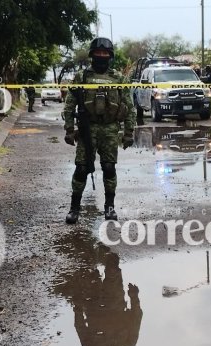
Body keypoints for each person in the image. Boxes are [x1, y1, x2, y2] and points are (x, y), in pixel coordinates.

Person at [63, 37, 135, 224]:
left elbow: (129, 107)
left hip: (110, 128)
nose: (101, 56)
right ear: (92, 55)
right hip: (88, 127)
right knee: (81, 168)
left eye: (105, 53)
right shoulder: (82, 77)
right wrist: (69, 129)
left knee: (109, 168)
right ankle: (74, 208)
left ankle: (109, 207)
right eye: (98, 53)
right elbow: (70, 105)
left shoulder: (119, 78)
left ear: (110, 56)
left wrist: (129, 133)